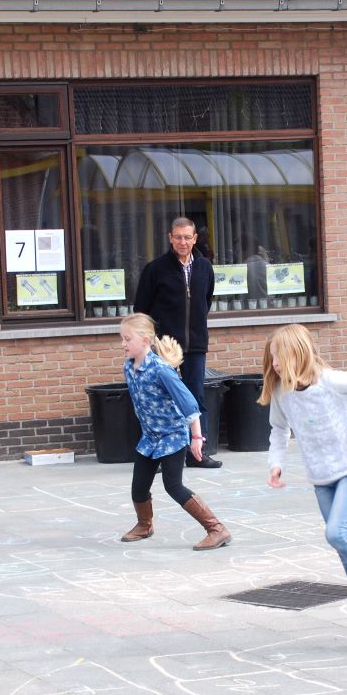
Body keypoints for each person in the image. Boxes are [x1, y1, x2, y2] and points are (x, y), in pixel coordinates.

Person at [259, 325, 347, 653]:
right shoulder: (281, 392)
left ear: (296, 353)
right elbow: (278, 430)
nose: (274, 362)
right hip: (320, 479)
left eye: (278, 355)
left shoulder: (331, 381)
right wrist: (275, 463)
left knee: (336, 533)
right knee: (345, 551)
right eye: (271, 356)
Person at [117, 314, 232, 550]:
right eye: (122, 338)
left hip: (172, 437)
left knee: (173, 486)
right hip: (150, 437)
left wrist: (197, 438)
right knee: (138, 487)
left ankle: (216, 529)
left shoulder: (161, 370)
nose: (123, 344)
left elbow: (189, 405)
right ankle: (144, 524)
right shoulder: (129, 367)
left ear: (146, 340)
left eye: (127, 338)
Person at [133, 217, 222, 469]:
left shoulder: (205, 267)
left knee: (195, 397)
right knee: (164, 398)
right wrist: (151, 342)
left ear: (195, 239)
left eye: (188, 237)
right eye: (178, 237)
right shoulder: (155, 269)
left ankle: (196, 454)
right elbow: (141, 309)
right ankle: (164, 454)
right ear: (170, 238)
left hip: (194, 344)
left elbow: (205, 301)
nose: (183, 242)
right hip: (164, 347)